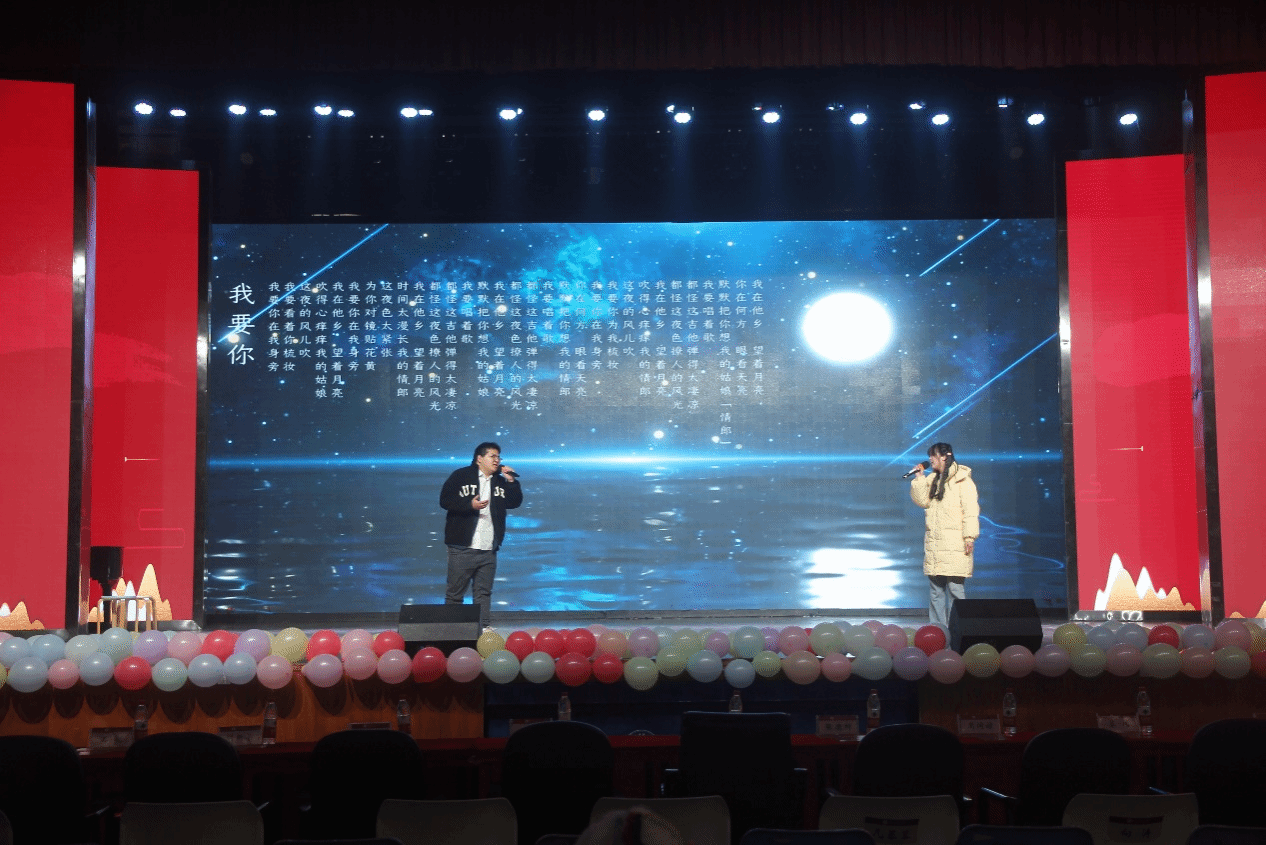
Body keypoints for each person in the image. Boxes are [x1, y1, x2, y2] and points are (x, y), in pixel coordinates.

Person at [439, 441, 522, 630]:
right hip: (462, 547)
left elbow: (514, 502)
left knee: (483, 593)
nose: (497, 460)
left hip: (489, 549)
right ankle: (452, 631)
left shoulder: (499, 481)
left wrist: (511, 481)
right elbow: (444, 500)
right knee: (455, 594)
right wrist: (470, 505)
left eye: (499, 457)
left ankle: (483, 629)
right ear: (479, 458)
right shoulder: (460, 475)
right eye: (493, 456)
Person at [909, 442, 980, 629]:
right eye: (929, 455)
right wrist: (919, 478)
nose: (930, 459)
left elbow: (971, 512)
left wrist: (969, 537)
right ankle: (938, 631)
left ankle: (961, 630)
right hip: (936, 545)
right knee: (936, 591)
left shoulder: (963, 481)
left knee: (956, 589)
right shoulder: (933, 479)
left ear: (945, 456)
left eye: (933, 455)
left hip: (955, 545)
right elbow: (922, 501)